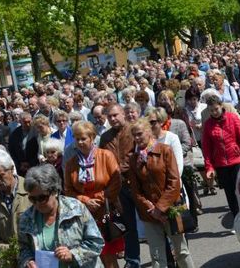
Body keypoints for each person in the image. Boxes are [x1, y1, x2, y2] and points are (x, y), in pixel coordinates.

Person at [128, 119, 195, 268]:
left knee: (181, 251)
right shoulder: (133, 159)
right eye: (134, 135)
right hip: (149, 214)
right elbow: (135, 190)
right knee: (157, 256)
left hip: (171, 209)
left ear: (148, 132)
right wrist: (151, 209)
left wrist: (160, 208)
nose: (137, 138)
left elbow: (174, 181)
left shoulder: (165, 150)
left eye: (139, 134)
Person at [18, 164, 104, 268]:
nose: (37, 203)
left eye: (42, 198)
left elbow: (96, 242)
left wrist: (73, 254)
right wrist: (28, 261)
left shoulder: (76, 209)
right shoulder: (26, 218)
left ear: (55, 191)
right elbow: (23, 248)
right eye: (33, 199)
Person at [64, 121, 122, 268]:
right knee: (90, 257)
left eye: (83, 138)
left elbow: (116, 181)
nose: (80, 142)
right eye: (77, 139)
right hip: (83, 213)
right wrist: (85, 200)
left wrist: (99, 199)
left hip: (105, 211)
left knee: (108, 256)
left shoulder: (106, 156)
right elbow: (68, 190)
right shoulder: (71, 163)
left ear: (92, 137)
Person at [99, 103, 139, 267]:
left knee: (153, 221)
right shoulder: (105, 137)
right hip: (119, 188)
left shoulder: (134, 131)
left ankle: (167, 255)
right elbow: (101, 161)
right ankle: (132, 260)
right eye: (110, 116)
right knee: (128, 226)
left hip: (138, 183)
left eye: (116, 115)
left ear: (123, 114)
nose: (113, 119)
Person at [201, 97, 240, 216]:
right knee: (230, 194)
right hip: (221, 164)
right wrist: (209, 167)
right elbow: (207, 149)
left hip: (237, 161)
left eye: (216, 109)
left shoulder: (232, 118)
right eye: (211, 111)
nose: (214, 112)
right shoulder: (208, 124)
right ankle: (236, 217)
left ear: (221, 106)